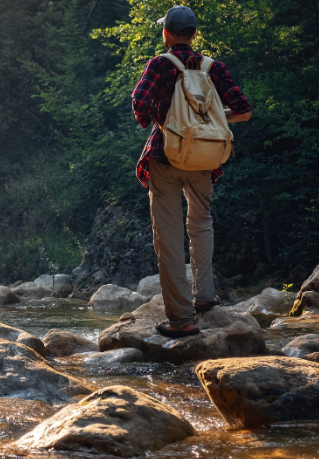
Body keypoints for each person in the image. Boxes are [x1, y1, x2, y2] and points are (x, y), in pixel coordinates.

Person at [131, 5, 252, 337]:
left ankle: (182, 319)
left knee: (169, 238)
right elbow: (243, 111)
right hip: (203, 158)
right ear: (194, 34)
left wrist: (164, 122)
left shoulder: (160, 64)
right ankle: (205, 298)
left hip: (166, 156)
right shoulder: (214, 67)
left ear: (166, 33)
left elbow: (139, 103)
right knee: (201, 224)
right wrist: (210, 121)